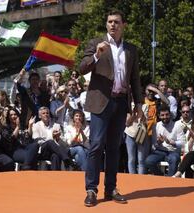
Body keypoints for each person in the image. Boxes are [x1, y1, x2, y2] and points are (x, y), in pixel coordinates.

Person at [79, 10, 143, 206]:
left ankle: (110, 188)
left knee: (114, 148)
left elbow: (135, 79)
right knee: (97, 145)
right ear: (106, 25)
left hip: (121, 102)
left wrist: (138, 103)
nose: (113, 25)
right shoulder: (96, 44)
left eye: (116, 22)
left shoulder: (131, 49)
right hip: (100, 102)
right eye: (109, 22)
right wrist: (97, 55)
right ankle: (91, 189)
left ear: (123, 25)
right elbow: (82, 68)